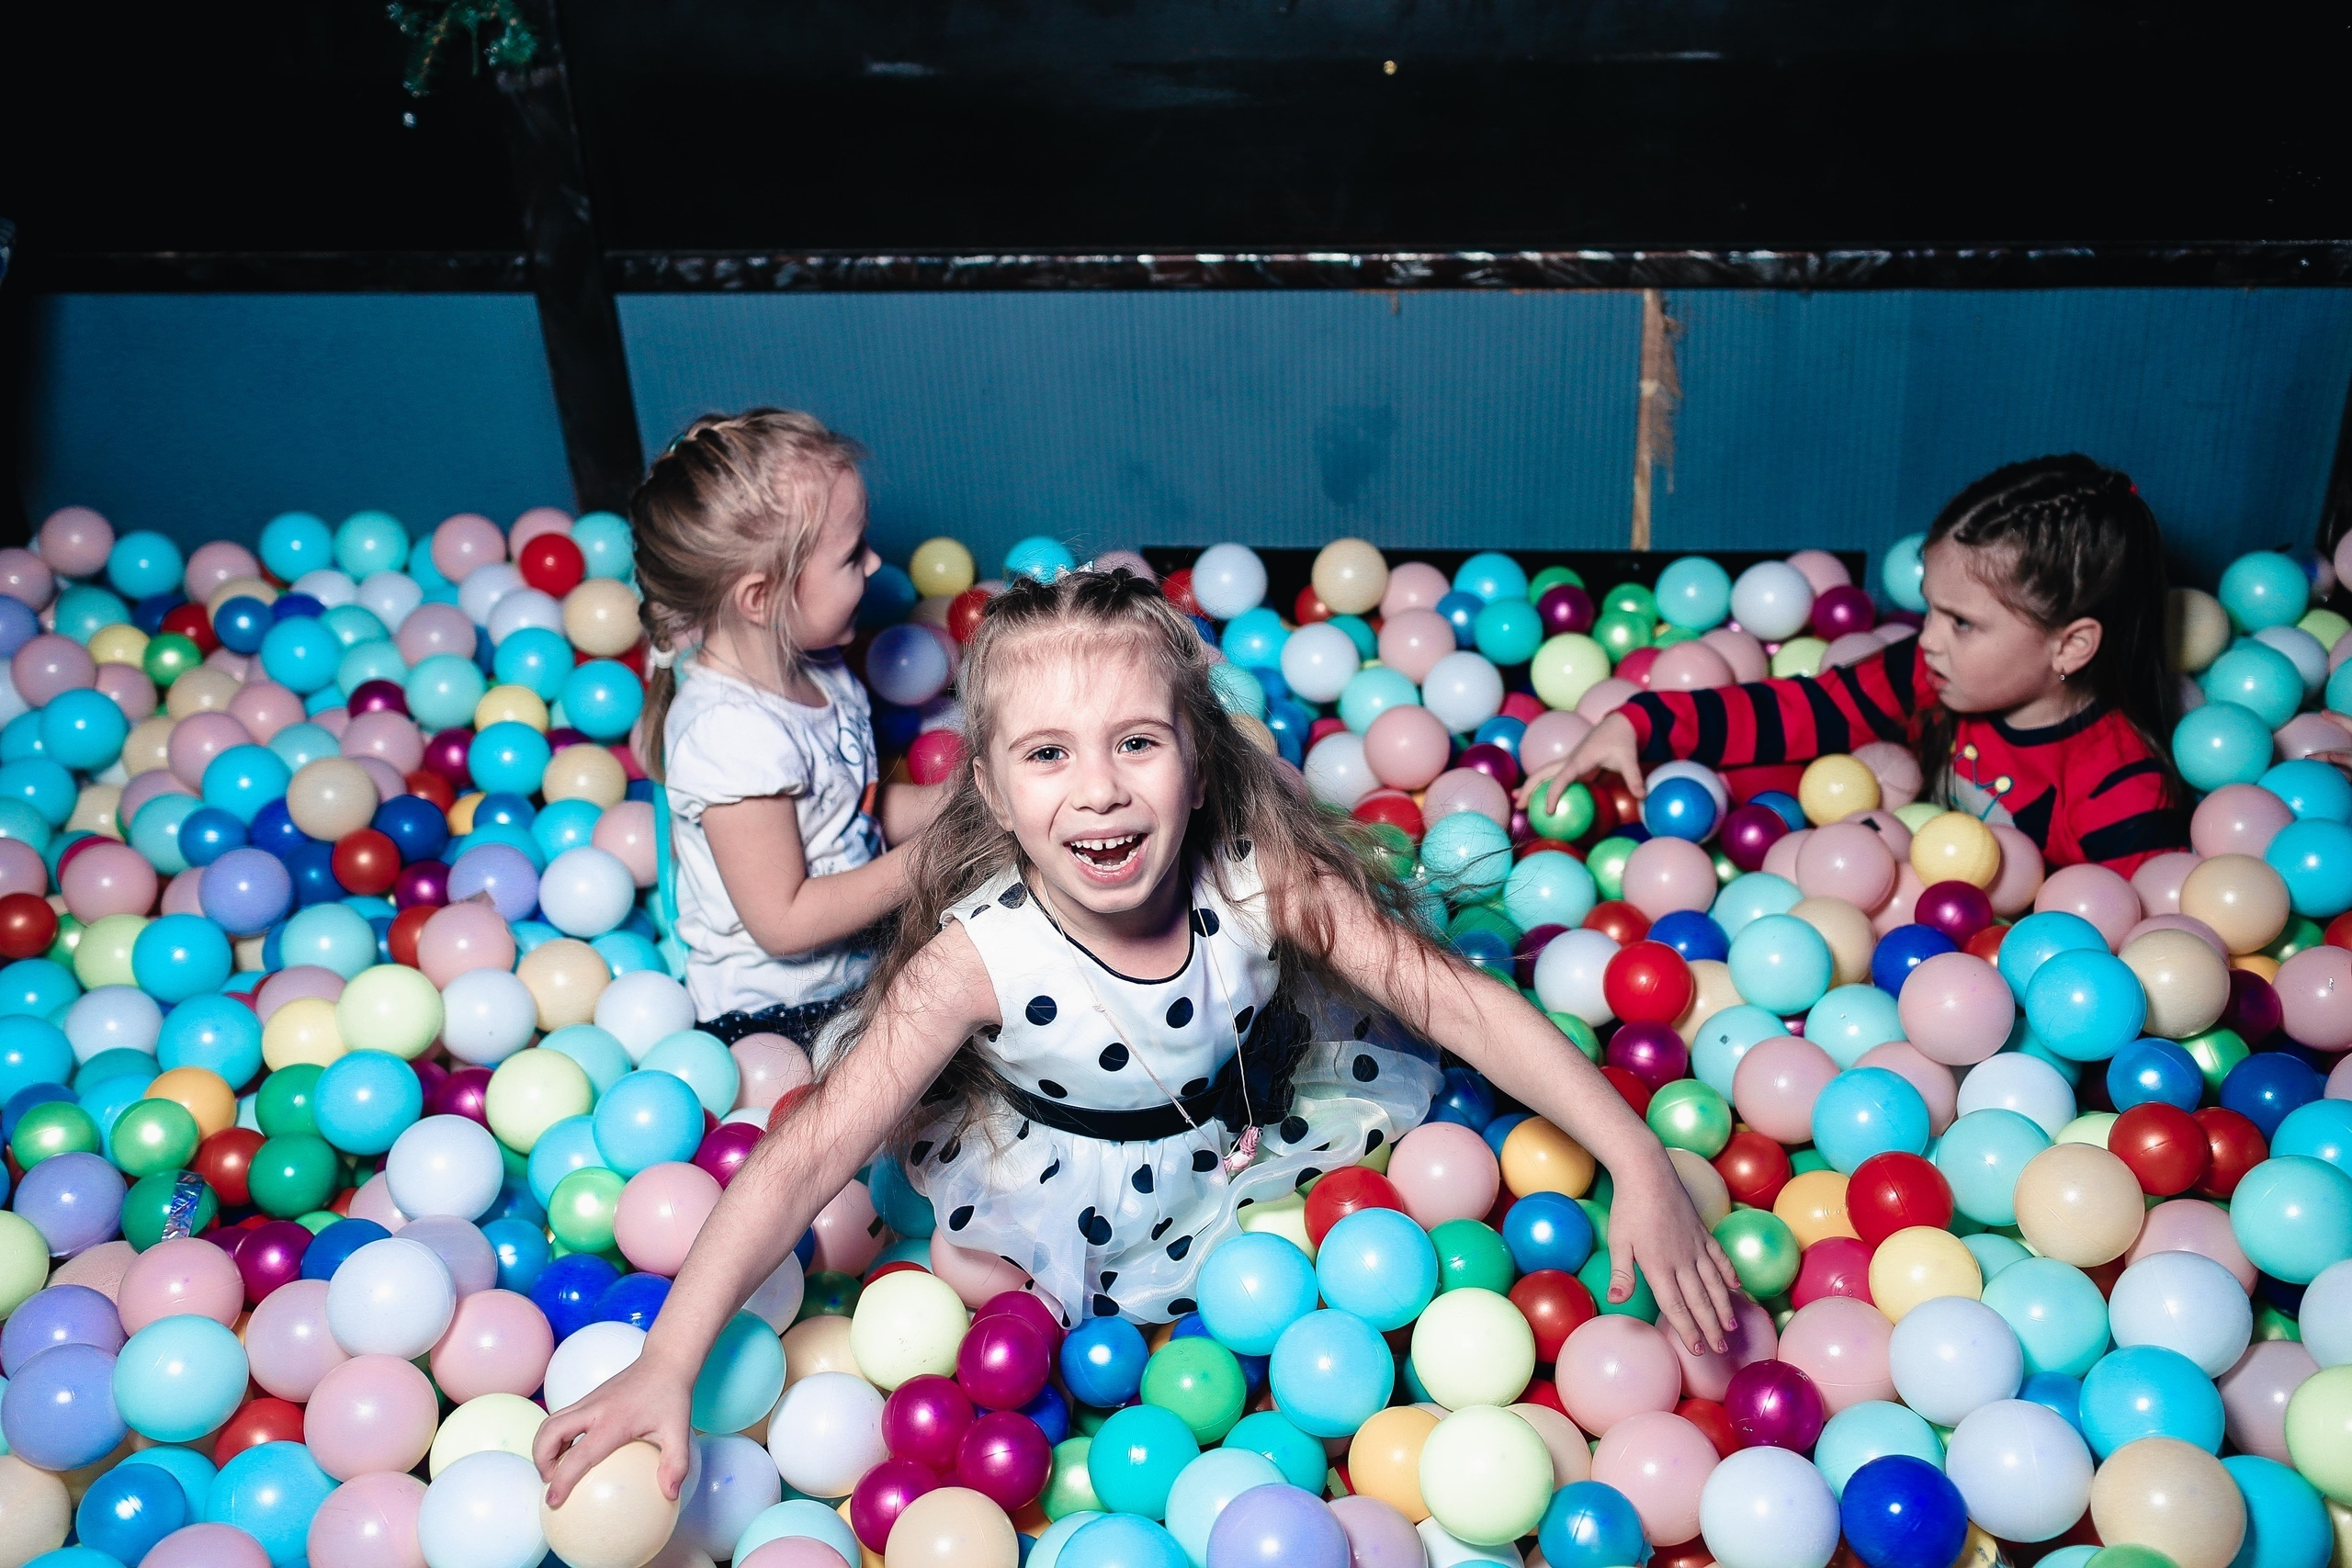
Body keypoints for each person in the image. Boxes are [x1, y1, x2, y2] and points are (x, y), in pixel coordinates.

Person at [538, 566, 1741, 1504]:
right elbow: (804, 1156)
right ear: (992, 793)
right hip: (1061, 1170)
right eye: (1047, 755)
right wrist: (669, 1361)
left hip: (1248, 1123)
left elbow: (1459, 1001)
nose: (1099, 788)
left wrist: (1636, 1156)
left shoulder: (1265, 882)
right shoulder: (975, 958)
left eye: (1137, 742)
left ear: (1198, 768)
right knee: (979, 1285)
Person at [1520, 455, 2192, 874]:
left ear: (2070, 646)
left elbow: (2133, 945)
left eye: (1962, 623)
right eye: (1930, 610)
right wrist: (1639, 722)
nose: (1928, 639)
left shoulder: (2121, 791)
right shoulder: (1926, 674)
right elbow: (1802, 712)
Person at [635, 409, 940, 1046]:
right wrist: (932, 857)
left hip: (863, 972)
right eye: (851, 555)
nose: (875, 563)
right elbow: (785, 922)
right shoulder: (730, 734)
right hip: (777, 1014)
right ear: (762, 598)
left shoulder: (821, 667)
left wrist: (956, 806)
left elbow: (849, 811)